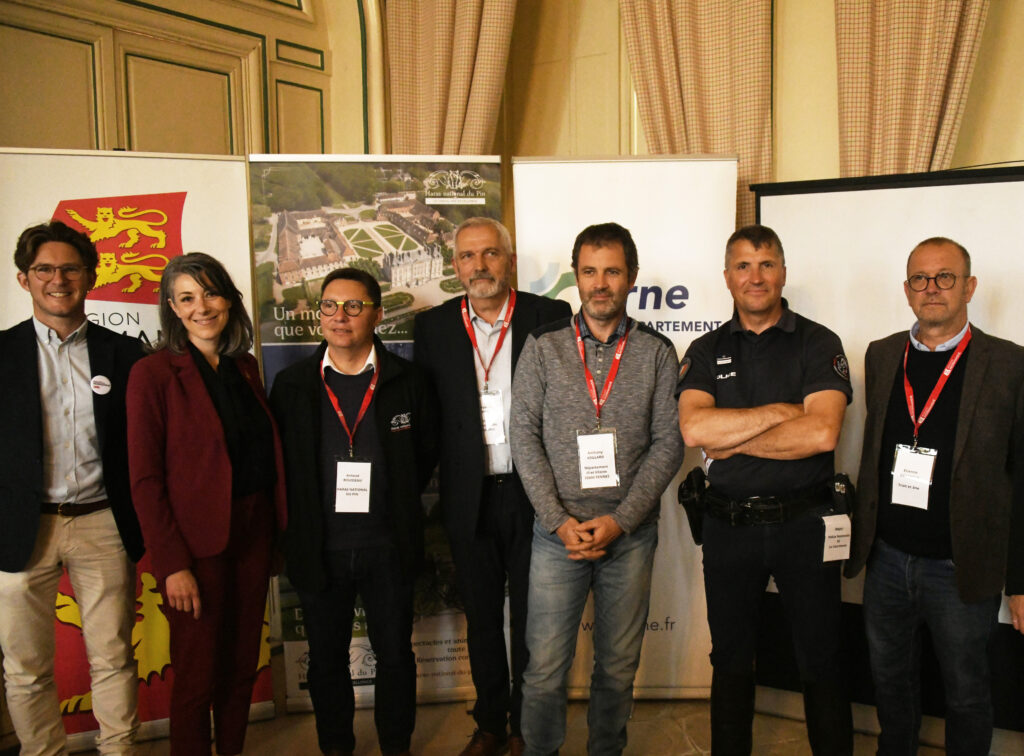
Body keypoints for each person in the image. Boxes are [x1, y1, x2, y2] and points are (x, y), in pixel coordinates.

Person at [676, 224, 853, 755]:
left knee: (820, 657)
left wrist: (731, 438)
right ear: (727, 276)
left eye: (767, 263)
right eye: (744, 265)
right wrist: (782, 413)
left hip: (806, 525)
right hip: (729, 527)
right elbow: (694, 431)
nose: (756, 277)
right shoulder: (705, 349)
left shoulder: (819, 342)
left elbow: (822, 432)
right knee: (730, 657)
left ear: (783, 271)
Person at [510, 222, 683, 756]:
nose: (600, 283)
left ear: (631, 277)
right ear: (576, 278)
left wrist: (621, 520)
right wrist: (559, 521)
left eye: (612, 271)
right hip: (555, 536)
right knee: (543, 671)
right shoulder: (543, 347)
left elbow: (668, 443)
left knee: (617, 668)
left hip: (628, 537)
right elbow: (524, 436)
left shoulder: (657, 351)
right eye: (589, 271)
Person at [845, 237, 1024, 755]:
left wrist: (1020, 579)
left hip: (960, 564)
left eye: (945, 277)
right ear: (906, 290)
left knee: (967, 694)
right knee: (891, 686)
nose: (932, 289)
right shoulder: (881, 356)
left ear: (969, 286)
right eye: (920, 279)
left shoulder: (1009, 365)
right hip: (886, 560)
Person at [413, 217, 570, 756]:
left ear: (510, 260)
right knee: (481, 615)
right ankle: (490, 723)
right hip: (468, 495)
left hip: (536, 490)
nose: (479, 266)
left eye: (490, 254)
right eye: (467, 257)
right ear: (455, 266)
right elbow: (430, 420)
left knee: (534, 617)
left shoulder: (549, 317)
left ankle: (528, 725)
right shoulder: (432, 328)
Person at [269, 267, 438, 756]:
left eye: (353, 306)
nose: (339, 316)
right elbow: (283, 467)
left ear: (377, 314)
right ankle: (336, 747)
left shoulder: (409, 381)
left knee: (394, 657)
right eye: (329, 306)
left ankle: (395, 746)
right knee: (325, 660)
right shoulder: (293, 384)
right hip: (319, 547)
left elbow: (424, 453)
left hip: (388, 544)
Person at [126, 253, 287, 756]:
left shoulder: (245, 368)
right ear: (172, 307)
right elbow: (146, 480)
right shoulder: (152, 374)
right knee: (198, 674)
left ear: (228, 299)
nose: (202, 307)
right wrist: (173, 565)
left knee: (242, 666)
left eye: (211, 293)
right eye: (188, 298)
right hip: (195, 548)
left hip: (253, 534)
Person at [0, 220, 144, 755]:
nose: (57, 279)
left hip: (102, 522)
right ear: (24, 279)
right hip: (21, 527)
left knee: (112, 656)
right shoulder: (2, 353)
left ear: (91, 276)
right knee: (26, 667)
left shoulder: (125, 354)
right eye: (44, 269)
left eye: (69, 269)